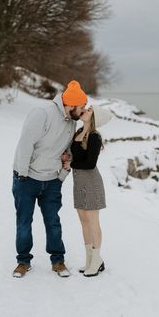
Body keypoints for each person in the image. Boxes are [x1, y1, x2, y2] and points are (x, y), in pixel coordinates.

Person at [12, 80, 87, 278]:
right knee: (24, 222)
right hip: (27, 178)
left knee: (53, 222)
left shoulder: (72, 122)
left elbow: (67, 153)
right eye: (82, 107)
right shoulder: (42, 113)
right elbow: (25, 144)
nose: (83, 111)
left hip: (52, 181)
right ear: (70, 105)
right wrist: (22, 175)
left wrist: (61, 177)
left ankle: (58, 261)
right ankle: (23, 261)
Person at [63, 104, 113, 277]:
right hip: (78, 182)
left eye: (90, 110)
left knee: (93, 222)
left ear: (94, 117)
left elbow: (90, 163)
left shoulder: (94, 137)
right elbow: (73, 154)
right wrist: (66, 158)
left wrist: (71, 164)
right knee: (83, 221)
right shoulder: (78, 132)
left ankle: (97, 260)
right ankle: (89, 260)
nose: (85, 109)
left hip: (91, 182)